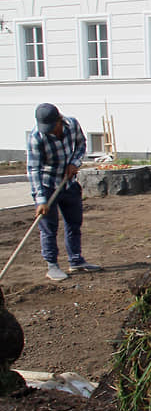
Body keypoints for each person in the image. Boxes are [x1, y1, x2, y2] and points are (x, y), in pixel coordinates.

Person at [27, 103, 101, 281]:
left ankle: (76, 260)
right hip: (47, 185)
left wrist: (74, 163)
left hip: (69, 184)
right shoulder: (36, 138)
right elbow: (33, 169)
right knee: (48, 228)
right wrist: (41, 199)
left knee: (74, 223)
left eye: (52, 127)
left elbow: (81, 145)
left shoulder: (73, 125)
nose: (50, 131)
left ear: (59, 120)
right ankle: (52, 265)